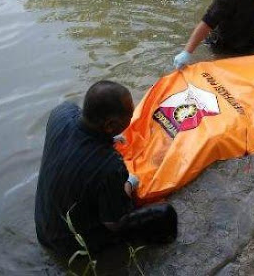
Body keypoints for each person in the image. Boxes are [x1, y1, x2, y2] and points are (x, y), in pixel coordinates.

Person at [35, 80, 177, 257]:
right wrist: (129, 184)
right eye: (129, 117)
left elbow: (79, 131)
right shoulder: (109, 165)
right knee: (165, 214)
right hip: (70, 244)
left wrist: (109, 138)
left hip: (44, 226)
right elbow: (114, 223)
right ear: (110, 125)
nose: (132, 118)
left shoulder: (61, 112)